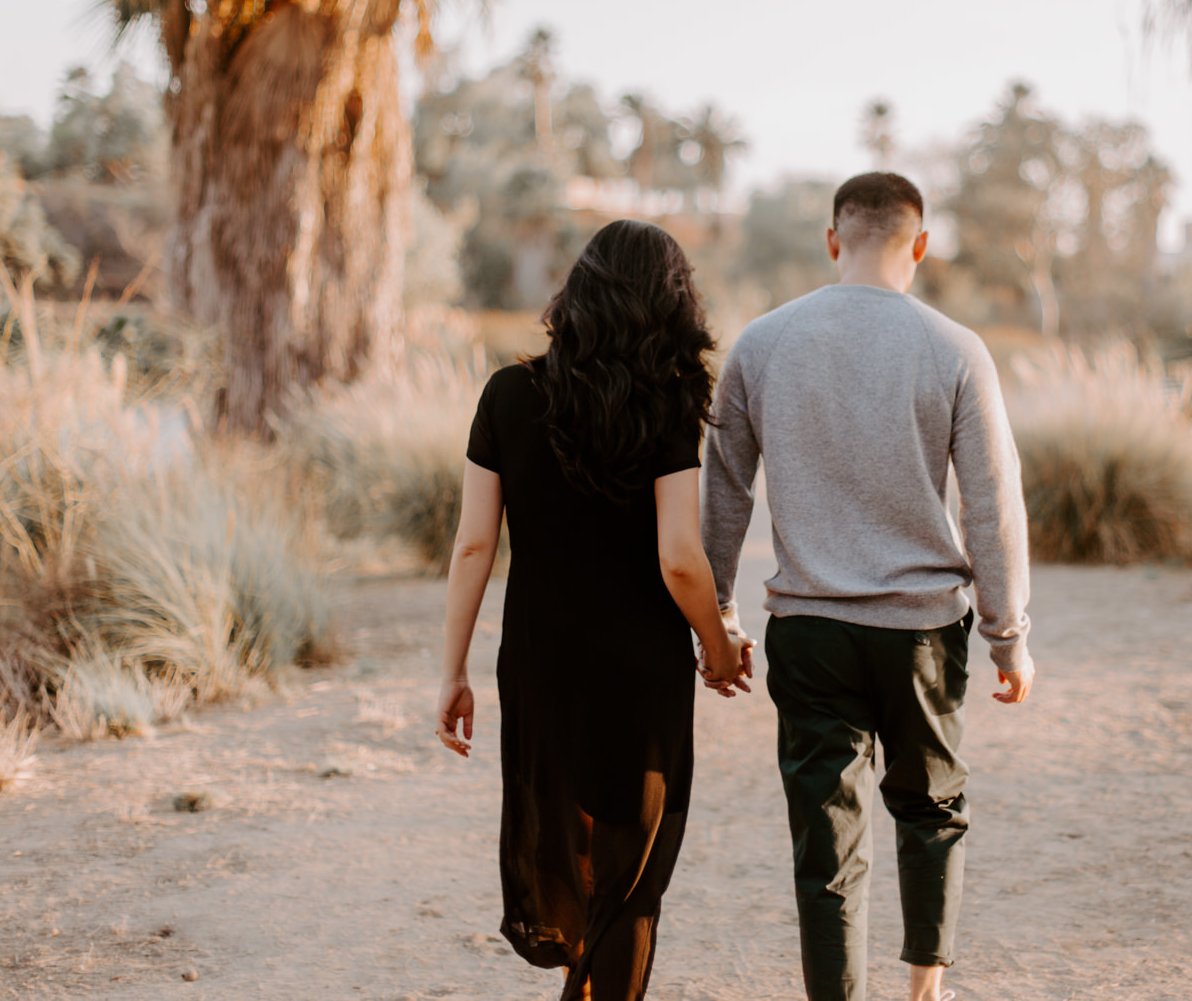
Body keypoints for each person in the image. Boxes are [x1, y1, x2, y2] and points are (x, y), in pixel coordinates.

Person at [701, 171, 1034, 1001]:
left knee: (826, 837)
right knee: (931, 809)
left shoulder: (764, 341)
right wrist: (1008, 633)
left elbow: (723, 489)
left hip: (810, 628)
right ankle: (924, 990)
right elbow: (994, 503)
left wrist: (719, 618)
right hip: (923, 629)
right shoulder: (955, 347)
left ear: (832, 240)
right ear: (918, 245)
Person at [437, 219, 754, 1001]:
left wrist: (453, 670)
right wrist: (716, 645)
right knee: (630, 878)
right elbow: (680, 556)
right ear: (671, 304)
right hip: (640, 668)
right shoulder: (672, 403)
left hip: (541, 660)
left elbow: (474, 546)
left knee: (566, 849)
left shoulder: (507, 395)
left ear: (576, 294)